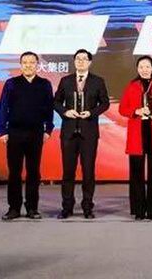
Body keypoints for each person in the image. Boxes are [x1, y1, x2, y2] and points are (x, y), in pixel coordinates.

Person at [0, 51, 54, 221]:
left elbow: (49, 108)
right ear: (21, 65)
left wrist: (48, 129)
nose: (28, 65)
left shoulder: (45, 84)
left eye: (32, 62)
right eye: (25, 62)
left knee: (33, 172)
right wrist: (2, 130)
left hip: (36, 133)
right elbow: (3, 107)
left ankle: (32, 208)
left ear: (37, 65)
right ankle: (14, 208)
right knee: (14, 172)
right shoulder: (11, 83)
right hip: (14, 133)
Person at [54, 49, 110, 219]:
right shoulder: (65, 81)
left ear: (90, 62)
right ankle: (67, 207)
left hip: (89, 133)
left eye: (84, 59)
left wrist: (91, 113)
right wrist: (65, 112)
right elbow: (56, 102)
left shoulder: (98, 81)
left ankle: (87, 207)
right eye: (78, 59)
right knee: (68, 172)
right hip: (69, 132)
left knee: (88, 171)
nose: (81, 61)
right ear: (74, 61)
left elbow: (105, 103)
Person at [118, 56, 152, 220]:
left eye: (147, 66)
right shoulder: (132, 86)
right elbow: (122, 108)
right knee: (136, 174)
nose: (144, 69)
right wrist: (136, 111)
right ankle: (139, 210)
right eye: (141, 67)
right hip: (137, 134)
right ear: (137, 69)